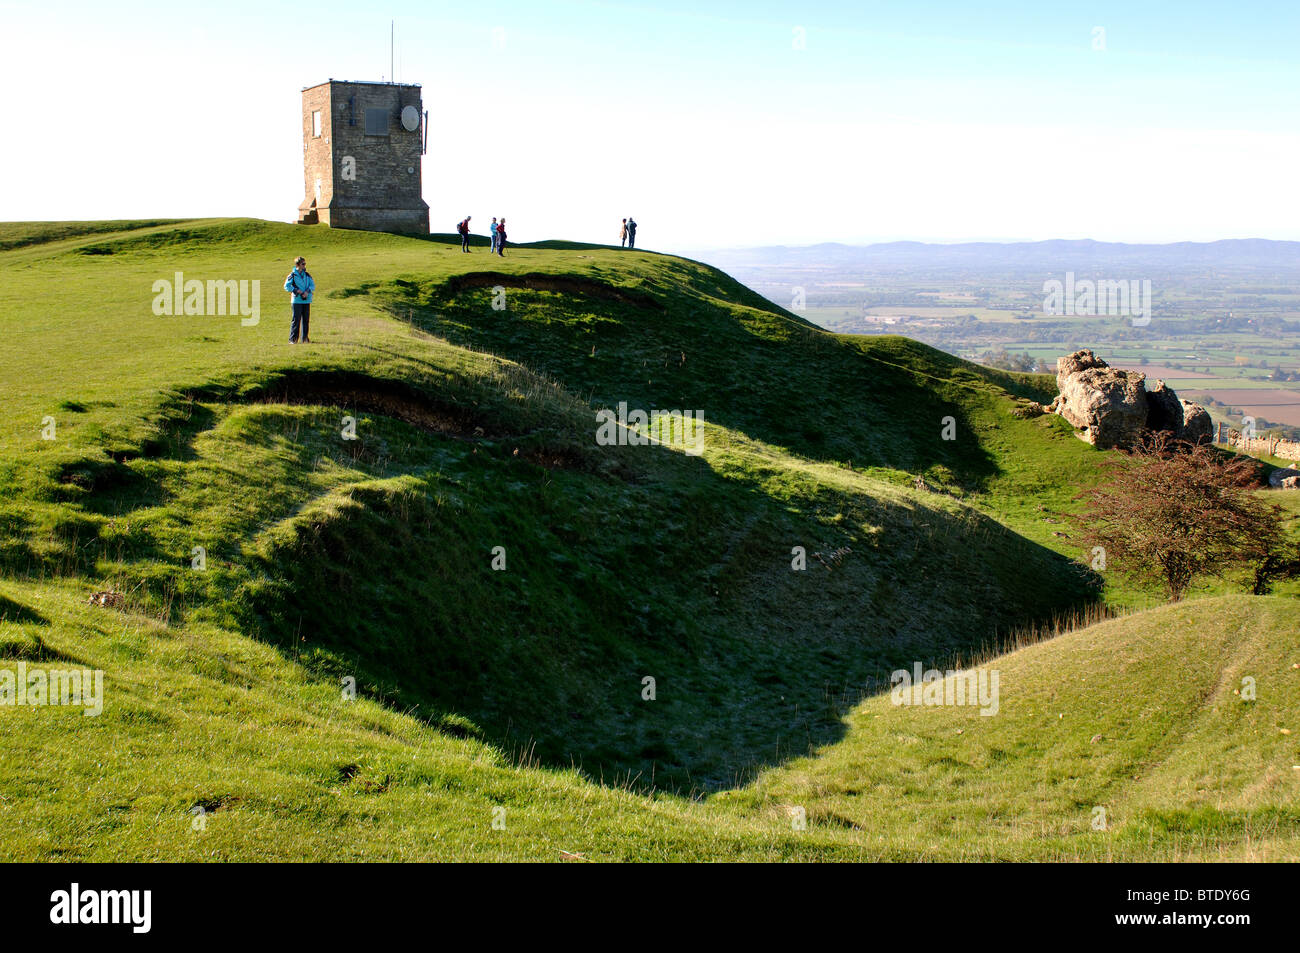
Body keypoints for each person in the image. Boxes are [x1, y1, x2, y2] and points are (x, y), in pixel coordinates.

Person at [283, 256, 314, 344]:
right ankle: (293, 340)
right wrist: (297, 290)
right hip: (296, 300)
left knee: (306, 320)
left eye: (305, 263)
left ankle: (305, 339)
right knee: (296, 320)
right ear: (297, 265)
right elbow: (286, 286)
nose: (304, 265)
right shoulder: (292, 275)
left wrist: (307, 292)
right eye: (303, 264)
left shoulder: (307, 275)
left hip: (306, 299)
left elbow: (312, 285)